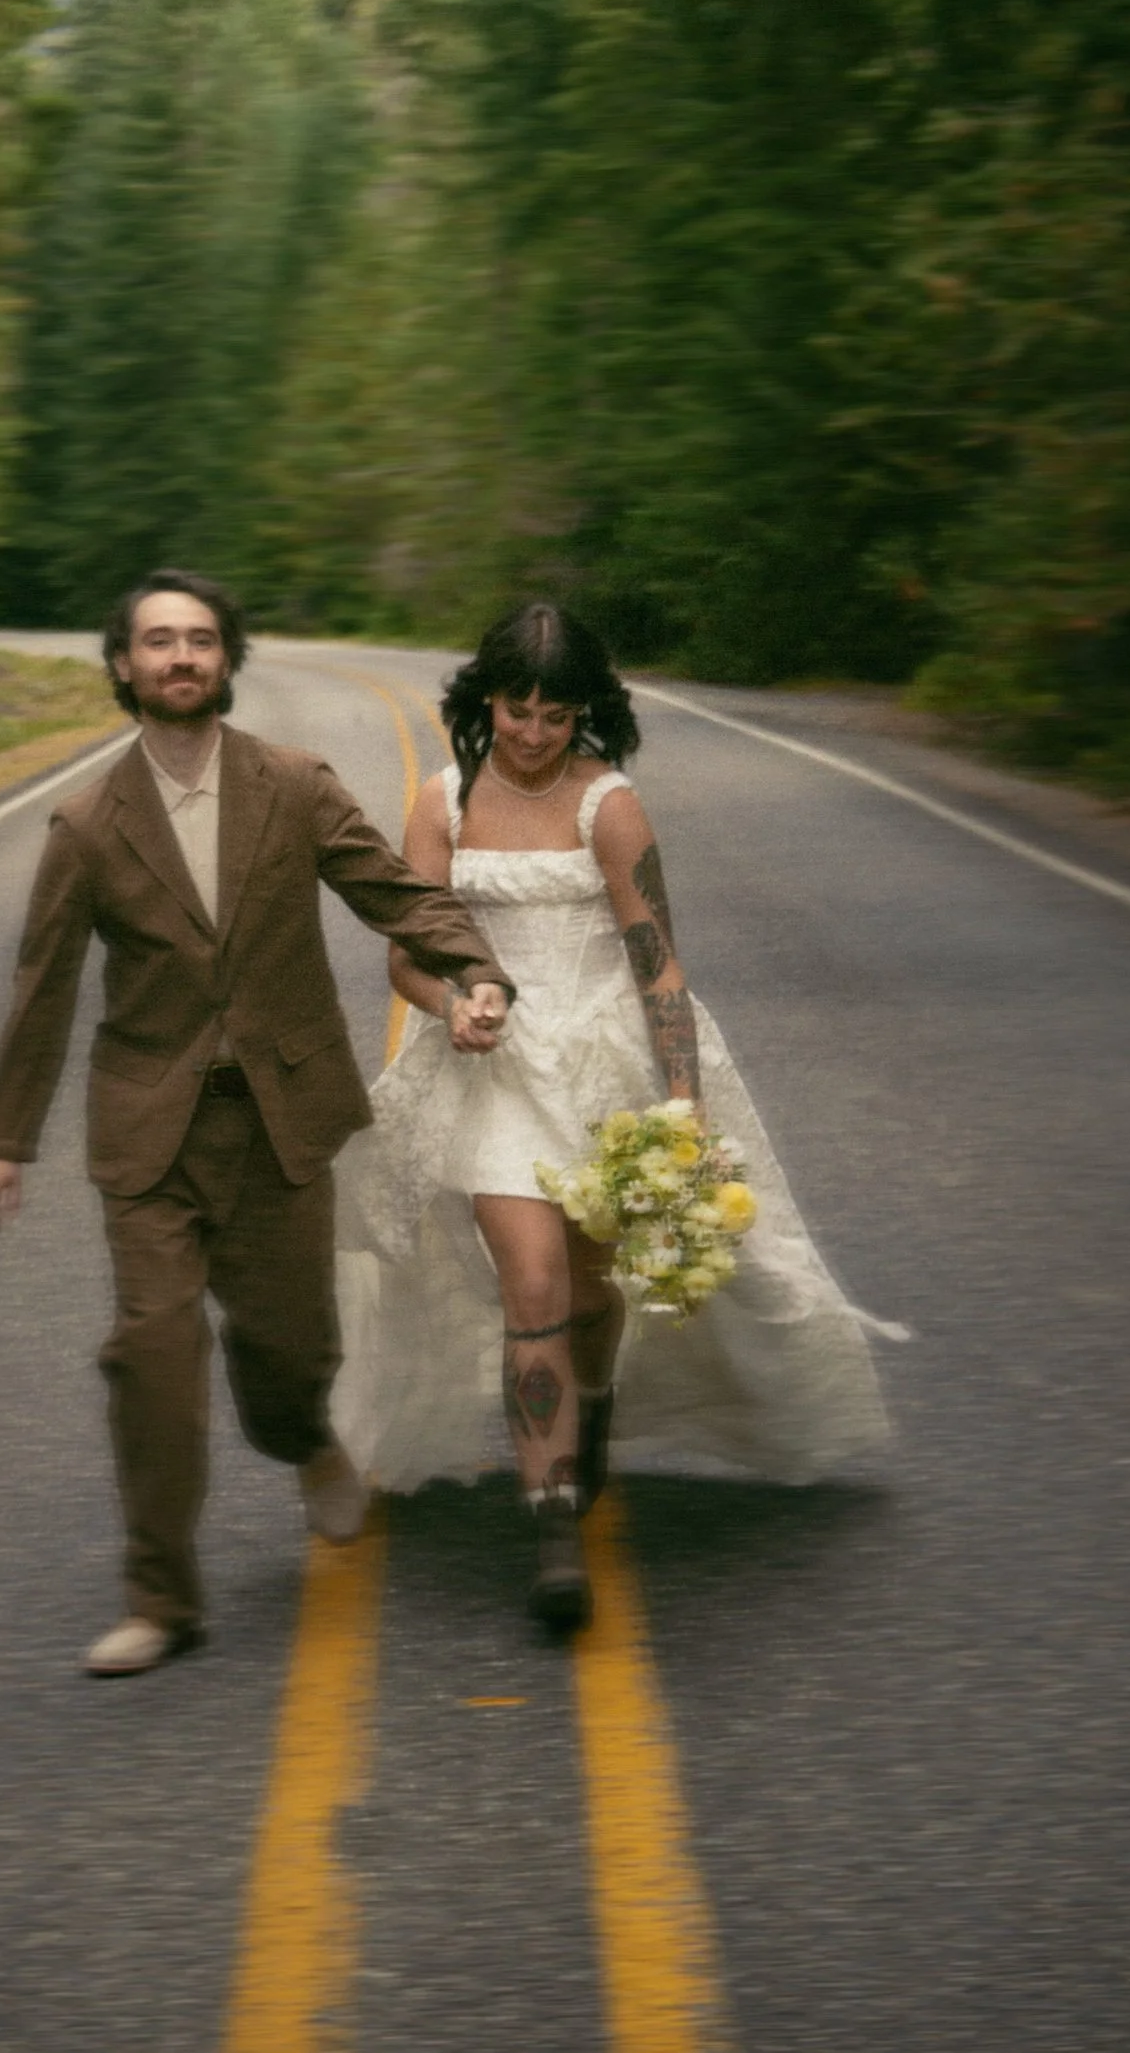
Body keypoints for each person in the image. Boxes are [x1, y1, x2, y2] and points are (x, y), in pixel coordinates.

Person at [0, 570, 518, 1677]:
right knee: (153, 1355)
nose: (181, 656)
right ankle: (160, 1599)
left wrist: (473, 968)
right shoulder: (85, 824)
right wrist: (2, 1138)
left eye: (201, 639)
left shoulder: (294, 784)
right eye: (159, 641)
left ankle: (306, 1440)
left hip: (279, 1122)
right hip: (149, 1131)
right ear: (123, 664)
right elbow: (42, 986)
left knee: (286, 1355)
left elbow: (394, 895)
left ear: (227, 660)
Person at [333, 601, 893, 1635]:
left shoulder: (611, 807)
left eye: (555, 713)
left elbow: (657, 959)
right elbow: (406, 950)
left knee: (593, 1293)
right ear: (485, 699)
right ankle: (550, 1522)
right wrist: (456, 1001)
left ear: (584, 711)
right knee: (533, 1283)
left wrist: (680, 1102)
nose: (534, 732)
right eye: (516, 708)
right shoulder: (441, 802)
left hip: (604, 1069)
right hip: (494, 1070)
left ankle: (587, 1413)